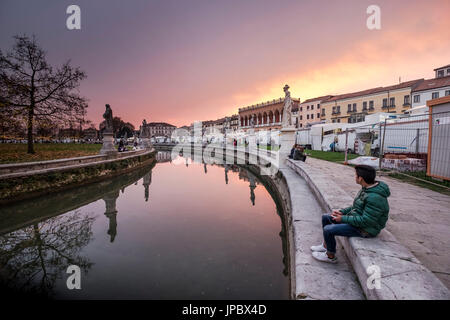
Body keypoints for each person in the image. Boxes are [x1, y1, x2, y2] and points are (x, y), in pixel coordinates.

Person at [311, 165, 390, 263]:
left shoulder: (375, 197)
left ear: (360, 178)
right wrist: (342, 212)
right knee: (326, 217)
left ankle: (330, 256)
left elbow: (367, 221)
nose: (355, 177)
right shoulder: (367, 188)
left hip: (366, 229)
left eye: (355, 175)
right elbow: (356, 206)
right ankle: (326, 245)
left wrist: (343, 218)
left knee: (328, 230)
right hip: (359, 221)